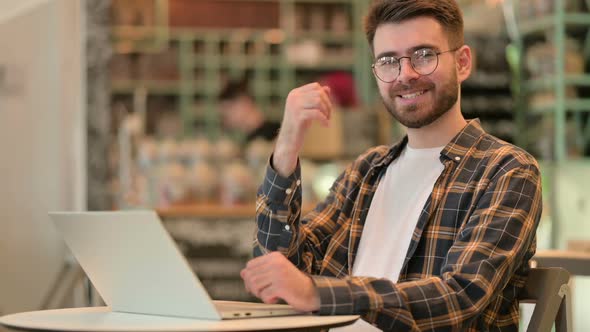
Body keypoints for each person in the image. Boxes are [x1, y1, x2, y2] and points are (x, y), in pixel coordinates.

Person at [240, 1, 542, 331]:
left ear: (463, 62)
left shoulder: (506, 171)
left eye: (424, 55)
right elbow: (282, 268)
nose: (405, 74)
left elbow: (461, 296)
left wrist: (316, 293)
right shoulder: (366, 172)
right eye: (388, 61)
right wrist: (286, 147)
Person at [218, 78, 280, 142]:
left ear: (244, 102)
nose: (225, 118)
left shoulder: (277, 134)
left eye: (229, 108)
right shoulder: (250, 139)